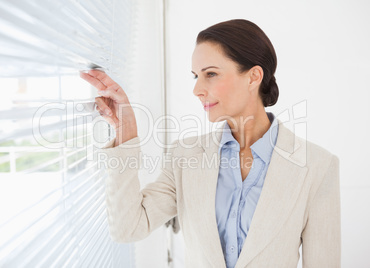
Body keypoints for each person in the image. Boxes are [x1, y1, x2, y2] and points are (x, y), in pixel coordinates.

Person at [80, 19, 340, 268]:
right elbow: (128, 228)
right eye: (196, 76)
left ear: (253, 77)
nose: (197, 89)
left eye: (211, 74)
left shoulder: (317, 166)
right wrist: (126, 130)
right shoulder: (185, 156)